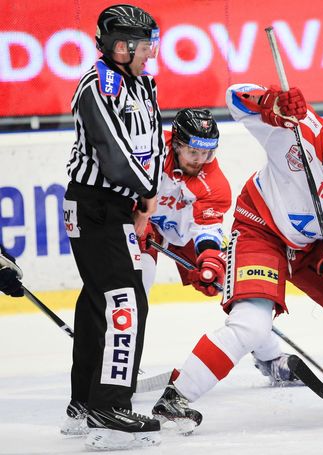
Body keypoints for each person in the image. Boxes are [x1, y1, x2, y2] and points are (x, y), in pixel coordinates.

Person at [150, 83, 323, 433]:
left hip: (313, 246)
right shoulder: (297, 129)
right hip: (261, 232)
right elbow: (235, 97)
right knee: (250, 325)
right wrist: (270, 101)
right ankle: (176, 398)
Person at [60, 4, 164, 449]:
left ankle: (83, 404)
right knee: (126, 297)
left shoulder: (143, 84)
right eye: (145, 46)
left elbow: (153, 143)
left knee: (97, 304)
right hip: (95, 207)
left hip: (119, 208)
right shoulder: (97, 86)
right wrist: (144, 193)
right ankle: (110, 404)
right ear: (121, 46)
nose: (151, 53)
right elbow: (113, 154)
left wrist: (146, 197)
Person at [138, 108, 299, 390]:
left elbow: (207, 229)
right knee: (135, 285)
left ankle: (270, 357)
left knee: (238, 294)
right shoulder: (150, 148)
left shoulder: (214, 184)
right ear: (175, 144)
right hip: (142, 221)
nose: (200, 160)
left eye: (207, 153)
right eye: (193, 152)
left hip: (185, 233)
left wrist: (210, 259)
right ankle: (120, 360)